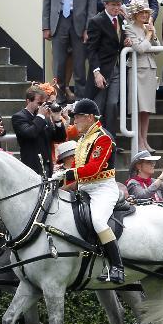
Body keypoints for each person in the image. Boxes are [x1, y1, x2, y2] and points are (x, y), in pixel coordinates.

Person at [51, 98, 123, 282]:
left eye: (77, 117)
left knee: (98, 221)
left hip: (102, 189)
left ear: (90, 117)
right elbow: (77, 165)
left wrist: (67, 174)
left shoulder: (103, 138)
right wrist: (58, 181)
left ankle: (117, 266)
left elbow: (93, 169)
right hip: (84, 188)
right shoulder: (84, 138)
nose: (74, 122)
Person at [42, 0, 97, 99]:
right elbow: (47, 1)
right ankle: (58, 97)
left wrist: (88, 28)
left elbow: (91, 3)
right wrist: (46, 26)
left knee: (80, 64)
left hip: (79, 22)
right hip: (58, 22)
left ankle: (80, 98)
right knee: (58, 62)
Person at [85, 0, 129, 134]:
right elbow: (91, 49)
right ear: (106, 4)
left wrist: (126, 43)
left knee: (112, 104)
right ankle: (95, 139)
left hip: (117, 68)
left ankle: (111, 140)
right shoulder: (96, 21)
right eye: (113, 4)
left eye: (118, 4)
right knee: (98, 105)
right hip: (102, 69)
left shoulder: (122, 20)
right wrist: (96, 73)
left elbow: (119, 44)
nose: (116, 7)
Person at [123, 0, 159, 151]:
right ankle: (138, 141)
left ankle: (144, 139)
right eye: (142, 12)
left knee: (147, 109)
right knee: (137, 107)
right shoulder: (129, 28)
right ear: (135, 14)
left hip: (150, 68)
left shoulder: (148, 28)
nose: (145, 15)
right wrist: (149, 35)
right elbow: (140, 48)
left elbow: (157, 49)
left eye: (147, 12)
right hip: (137, 70)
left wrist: (152, 33)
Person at [12, 86, 67, 177]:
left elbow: (60, 138)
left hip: (47, 165)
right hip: (32, 166)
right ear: (28, 101)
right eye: (39, 103)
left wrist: (57, 120)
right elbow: (30, 133)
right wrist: (40, 116)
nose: (42, 106)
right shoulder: (19, 117)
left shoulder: (44, 117)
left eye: (43, 103)